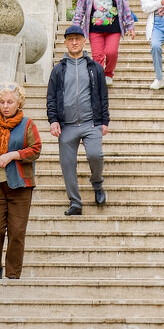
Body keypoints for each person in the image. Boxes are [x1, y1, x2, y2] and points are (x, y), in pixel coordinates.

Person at [0, 82, 42, 279]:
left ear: (19, 102)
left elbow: (36, 148)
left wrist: (14, 155)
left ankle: (12, 275)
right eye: (2, 101)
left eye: (10, 101)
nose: (5, 106)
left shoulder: (28, 124)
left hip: (20, 185)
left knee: (17, 232)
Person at [46, 24, 109, 216]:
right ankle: (75, 202)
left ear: (84, 41)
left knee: (95, 155)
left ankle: (97, 184)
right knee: (67, 164)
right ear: (65, 43)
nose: (74, 42)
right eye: (70, 39)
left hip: (91, 123)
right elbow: (51, 97)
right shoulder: (58, 70)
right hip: (67, 126)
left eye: (77, 39)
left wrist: (104, 121)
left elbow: (103, 95)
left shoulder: (95, 68)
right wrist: (53, 120)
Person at [72, 0, 136, 86]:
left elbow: (126, 9)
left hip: (114, 29)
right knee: (97, 55)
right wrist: (76, 26)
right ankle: (99, 76)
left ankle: (108, 73)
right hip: (95, 29)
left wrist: (130, 26)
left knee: (111, 52)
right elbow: (80, 9)